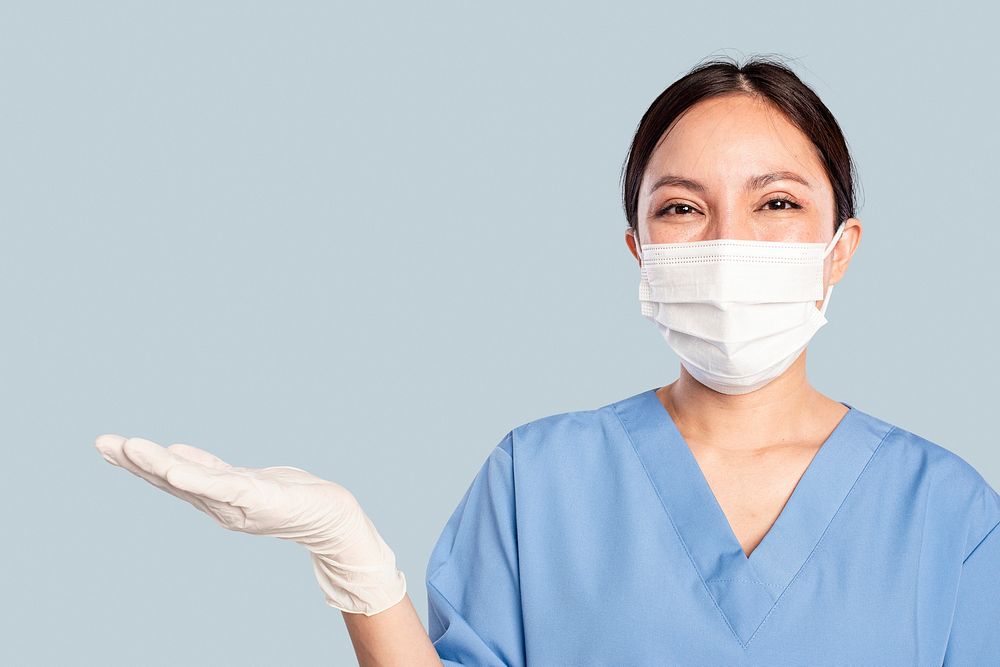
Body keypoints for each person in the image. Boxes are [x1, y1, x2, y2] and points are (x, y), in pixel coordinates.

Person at [95, 54, 1000, 666]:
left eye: (775, 204)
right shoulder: (541, 478)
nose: (729, 240)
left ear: (839, 247)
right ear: (641, 248)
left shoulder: (946, 513)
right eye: (683, 208)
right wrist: (353, 556)